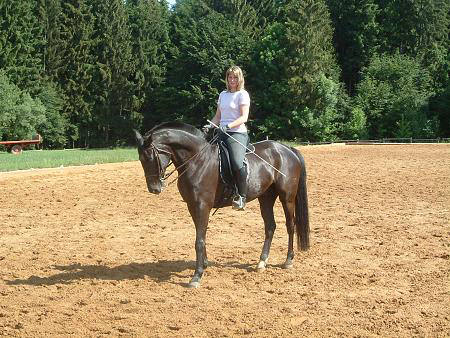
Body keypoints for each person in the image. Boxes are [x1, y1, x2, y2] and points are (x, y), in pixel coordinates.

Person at [204, 66, 250, 210]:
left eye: (235, 77)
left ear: (239, 79)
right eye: (230, 77)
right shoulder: (223, 94)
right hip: (221, 132)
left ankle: (241, 196)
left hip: (237, 133)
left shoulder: (242, 94)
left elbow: (244, 117)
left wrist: (228, 126)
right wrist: (210, 125)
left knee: (236, 162)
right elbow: (218, 117)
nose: (232, 80)